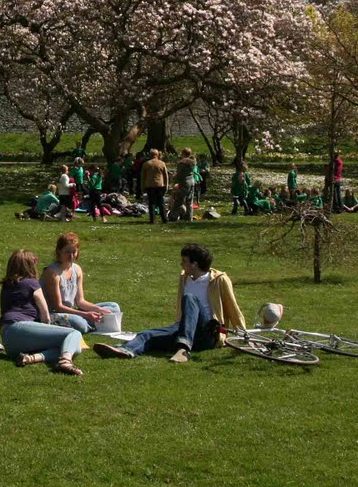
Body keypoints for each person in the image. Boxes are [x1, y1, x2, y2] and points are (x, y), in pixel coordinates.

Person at [94, 244, 244, 362]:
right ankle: (126, 351)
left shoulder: (219, 280)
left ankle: (183, 349)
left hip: (207, 333)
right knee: (147, 334)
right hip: (184, 328)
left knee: (190, 298)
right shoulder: (185, 278)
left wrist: (243, 337)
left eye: (184, 261)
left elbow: (233, 308)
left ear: (194, 264)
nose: (181, 264)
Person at [0, 249, 84, 375]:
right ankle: (65, 362)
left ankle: (32, 358)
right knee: (74, 334)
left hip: (8, 341)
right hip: (20, 327)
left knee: (66, 346)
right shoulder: (33, 284)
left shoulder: (6, 285)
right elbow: (45, 318)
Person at [41, 232, 122, 334]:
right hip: (55, 313)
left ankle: (92, 322)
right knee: (80, 324)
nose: (71, 256)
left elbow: (80, 301)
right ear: (59, 251)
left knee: (114, 307)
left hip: (71, 310)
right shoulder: (52, 273)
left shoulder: (77, 269)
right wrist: (86, 315)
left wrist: (98, 309)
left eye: (74, 252)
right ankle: (92, 324)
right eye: (67, 252)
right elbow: (58, 307)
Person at [140, 148, 169, 224]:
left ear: (150, 155)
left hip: (149, 185)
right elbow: (166, 176)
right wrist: (166, 186)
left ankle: (152, 219)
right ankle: (164, 219)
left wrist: (142, 187)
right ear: (157, 155)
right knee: (161, 202)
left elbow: (143, 177)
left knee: (151, 203)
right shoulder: (162, 163)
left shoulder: (146, 164)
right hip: (160, 185)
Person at [172, 148, 197, 222]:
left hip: (184, 182)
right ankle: (189, 217)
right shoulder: (193, 162)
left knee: (179, 201)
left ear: (183, 153)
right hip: (192, 181)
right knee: (189, 201)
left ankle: (174, 217)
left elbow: (179, 174)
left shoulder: (182, 162)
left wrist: (173, 177)